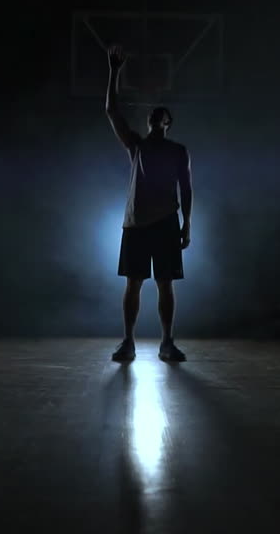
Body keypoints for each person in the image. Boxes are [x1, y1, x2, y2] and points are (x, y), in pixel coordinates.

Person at [104, 44, 192, 362]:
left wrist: (187, 224)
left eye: (162, 114)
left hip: (167, 221)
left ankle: (167, 341)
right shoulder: (137, 146)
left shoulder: (178, 151)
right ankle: (128, 341)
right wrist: (114, 71)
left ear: (167, 122)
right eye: (153, 114)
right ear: (149, 121)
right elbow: (112, 112)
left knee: (165, 284)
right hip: (137, 223)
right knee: (134, 283)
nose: (156, 115)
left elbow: (187, 188)